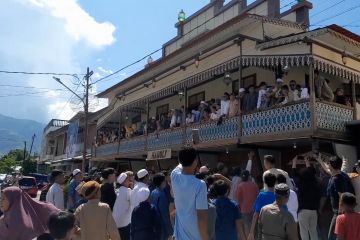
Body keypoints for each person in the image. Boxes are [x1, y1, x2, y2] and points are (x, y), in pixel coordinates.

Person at [171, 148, 209, 240]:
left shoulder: (174, 176)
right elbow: (202, 217)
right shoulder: (200, 185)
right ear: (195, 161)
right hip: (196, 236)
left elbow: (179, 165)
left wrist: (185, 155)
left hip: (179, 236)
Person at [323, 156, 355, 240]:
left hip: (339, 212)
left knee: (332, 237)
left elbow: (342, 196)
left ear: (331, 165)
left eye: (329, 163)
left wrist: (341, 214)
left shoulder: (337, 179)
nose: (328, 165)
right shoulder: (336, 177)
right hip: (338, 212)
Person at [292, 157, 321, 240]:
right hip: (314, 211)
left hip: (303, 211)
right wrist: (307, 162)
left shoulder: (300, 184)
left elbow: (294, 174)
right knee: (313, 231)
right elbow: (311, 173)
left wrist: (294, 162)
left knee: (304, 232)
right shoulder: (314, 183)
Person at [248, 172, 276, 240]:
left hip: (264, 228)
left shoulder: (261, 195)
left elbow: (255, 214)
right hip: (277, 227)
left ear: (265, 183)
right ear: (275, 182)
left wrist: (251, 232)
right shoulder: (279, 196)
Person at [150, 173, 173, 240]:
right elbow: (165, 214)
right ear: (162, 182)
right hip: (163, 226)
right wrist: (170, 231)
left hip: (156, 223)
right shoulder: (161, 194)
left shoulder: (153, 192)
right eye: (164, 181)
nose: (165, 182)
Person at [236, 170, 259, 236]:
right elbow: (258, 196)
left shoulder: (240, 185)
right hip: (254, 209)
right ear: (249, 176)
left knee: (246, 225)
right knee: (254, 225)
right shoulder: (254, 185)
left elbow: (238, 197)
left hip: (244, 209)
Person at [113, 173, 132, 240]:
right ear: (124, 181)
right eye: (128, 179)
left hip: (116, 222)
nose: (129, 181)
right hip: (125, 222)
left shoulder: (116, 191)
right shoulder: (128, 191)